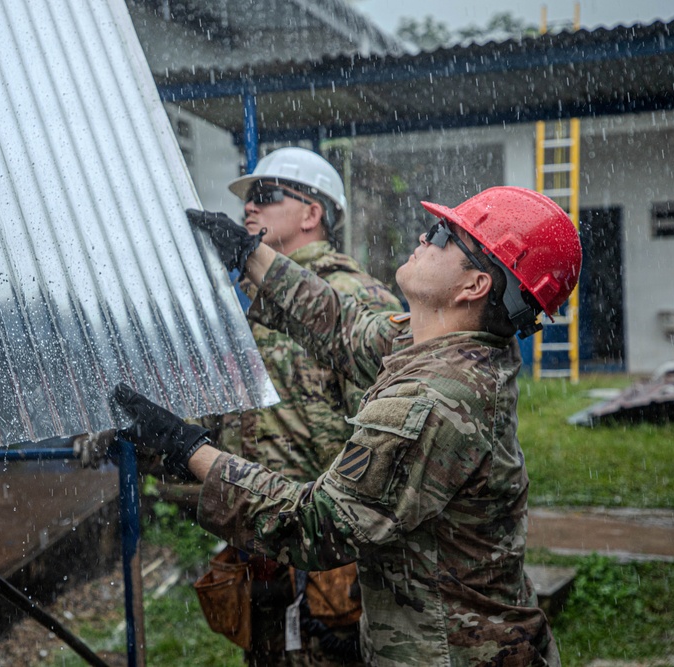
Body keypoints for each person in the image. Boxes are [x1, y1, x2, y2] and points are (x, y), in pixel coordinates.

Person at [114, 186, 582, 666]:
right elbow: (345, 328)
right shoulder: (453, 346)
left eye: (446, 234)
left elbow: (315, 525)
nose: (426, 234)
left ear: (475, 286)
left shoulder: (432, 400)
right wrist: (250, 255)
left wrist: (187, 446)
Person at [204, 147, 399, 666]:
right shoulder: (253, 306)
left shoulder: (360, 301)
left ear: (312, 213)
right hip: (267, 550)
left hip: (333, 565)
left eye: (265, 197)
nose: (250, 209)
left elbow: (387, 455)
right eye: (248, 200)